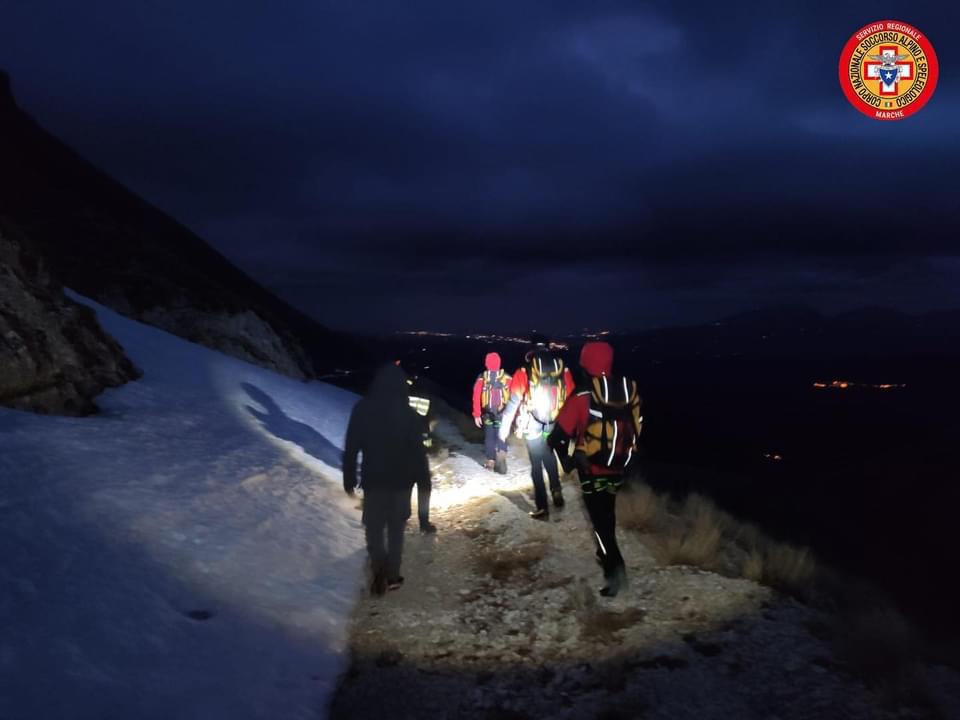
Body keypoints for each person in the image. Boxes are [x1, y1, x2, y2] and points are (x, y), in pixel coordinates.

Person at [548, 341, 642, 597]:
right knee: (607, 513)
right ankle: (605, 553)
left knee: (599, 523)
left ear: (586, 364)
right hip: (618, 467)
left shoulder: (582, 396)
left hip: (590, 470)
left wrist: (566, 462)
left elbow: (555, 438)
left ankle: (616, 573)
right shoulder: (627, 392)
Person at [343, 363, 433, 596]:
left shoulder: (362, 409)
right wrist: (424, 481)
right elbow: (418, 454)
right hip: (401, 483)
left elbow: (352, 447)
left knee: (373, 528)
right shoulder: (410, 415)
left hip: (374, 481)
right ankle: (392, 574)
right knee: (395, 530)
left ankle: (378, 565)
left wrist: (349, 477)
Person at [499, 342, 575, 519]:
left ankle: (542, 507)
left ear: (530, 353)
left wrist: (504, 429)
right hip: (554, 422)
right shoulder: (563, 371)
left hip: (532, 421)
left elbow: (513, 404)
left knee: (536, 464)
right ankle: (556, 489)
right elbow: (571, 397)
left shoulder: (524, 372)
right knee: (548, 453)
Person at [472, 352, 511, 474]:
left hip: (487, 414)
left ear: (486, 363)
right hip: (503, 414)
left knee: (489, 437)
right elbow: (514, 396)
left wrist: (476, 414)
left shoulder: (482, 378)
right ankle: (501, 458)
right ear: (499, 363)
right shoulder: (507, 378)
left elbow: (476, 396)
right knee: (501, 436)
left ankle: (490, 461)